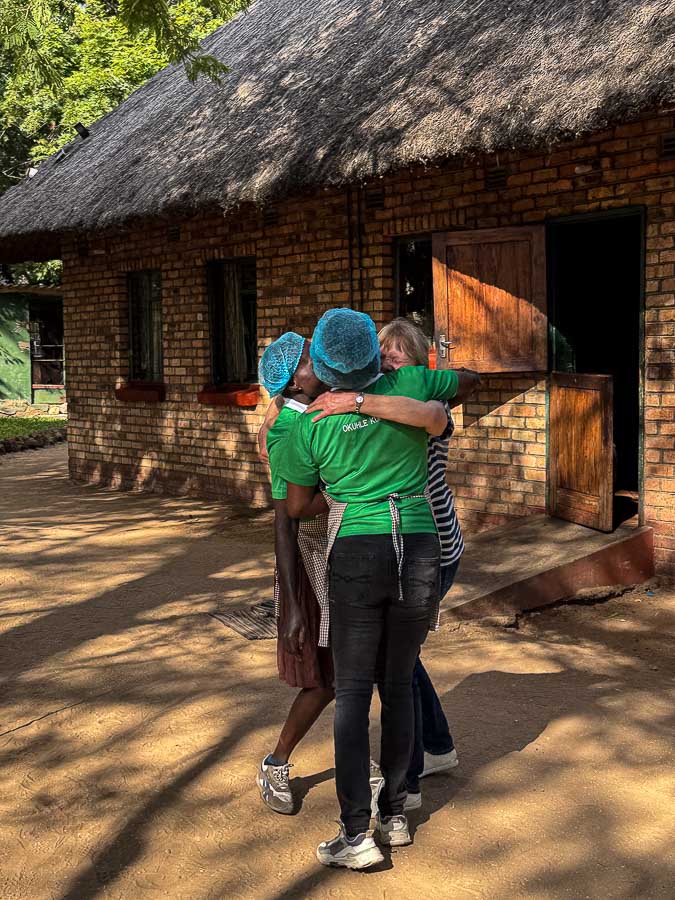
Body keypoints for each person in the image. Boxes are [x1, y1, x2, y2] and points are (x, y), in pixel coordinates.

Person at [281, 308, 479, 869]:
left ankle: (354, 834)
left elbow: (294, 507)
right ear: (374, 356)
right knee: (397, 685)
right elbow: (470, 382)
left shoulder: (307, 424)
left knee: (350, 693)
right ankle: (394, 815)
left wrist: (342, 479)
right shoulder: (412, 383)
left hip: (358, 552)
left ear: (319, 364)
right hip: (420, 545)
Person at [256, 331, 458, 817]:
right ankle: (279, 762)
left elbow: (437, 412)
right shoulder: (293, 426)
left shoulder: (363, 403)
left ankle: (402, 768)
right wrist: (292, 606)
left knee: (379, 666)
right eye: (309, 359)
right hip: (317, 559)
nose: (319, 362)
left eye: (399, 355)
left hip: (367, 548)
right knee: (336, 676)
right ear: (295, 383)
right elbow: (288, 518)